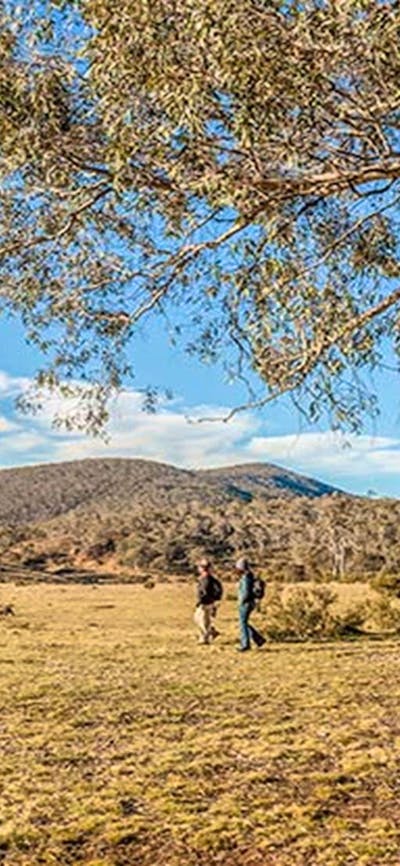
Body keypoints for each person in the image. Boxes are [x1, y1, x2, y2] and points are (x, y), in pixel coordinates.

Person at [236, 557, 266, 652]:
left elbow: (245, 592)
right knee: (244, 623)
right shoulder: (250, 576)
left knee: (242, 623)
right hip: (251, 602)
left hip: (246, 603)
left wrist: (241, 601)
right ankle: (258, 639)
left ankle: (245, 644)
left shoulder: (246, 578)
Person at [194, 558, 222, 645]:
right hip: (208, 602)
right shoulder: (210, 578)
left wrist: (202, 600)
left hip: (205, 602)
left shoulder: (206, 578)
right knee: (199, 619)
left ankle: (205, 638)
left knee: (203, 621)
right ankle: (211, 632)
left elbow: (204, 591)